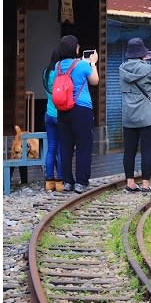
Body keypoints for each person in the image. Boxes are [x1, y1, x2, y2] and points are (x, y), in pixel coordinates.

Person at [55, 35, 99, 194]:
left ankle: (68, 182)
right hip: (81, 109)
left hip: (63, 110)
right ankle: (81, 182)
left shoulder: (58, 66)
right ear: (75, 49)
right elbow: (95, 81)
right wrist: (93, 63)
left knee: (65, 147)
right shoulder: (82, 65)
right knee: (83, 146)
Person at [119, 38, 151, 192]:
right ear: (142, 54)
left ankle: (130, 183)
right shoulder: (148, 69)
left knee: (129, 150)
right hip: (147, 116)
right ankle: (145, 184)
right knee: (147, 150)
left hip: (128, 116)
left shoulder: (122, 69)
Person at [42, 50, 64, 192]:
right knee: (61, 149)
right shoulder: (60, 72)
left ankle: (49, 181)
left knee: (51, 148)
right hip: (60, 114)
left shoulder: (45, 72)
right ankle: (60, 181)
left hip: (48, 113)